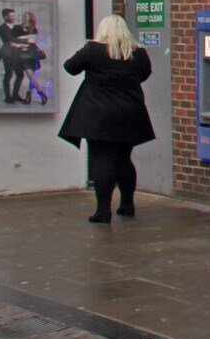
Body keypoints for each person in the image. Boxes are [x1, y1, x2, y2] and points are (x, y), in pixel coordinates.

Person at [59, 14, 156, 223]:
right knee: (124, 159)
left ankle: (103, 211)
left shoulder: (93, 51)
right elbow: (144, 74)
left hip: (98, 115)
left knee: (102, 160)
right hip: (130, 112)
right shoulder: (138, 53)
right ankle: (127, 204)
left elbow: (70, 67)